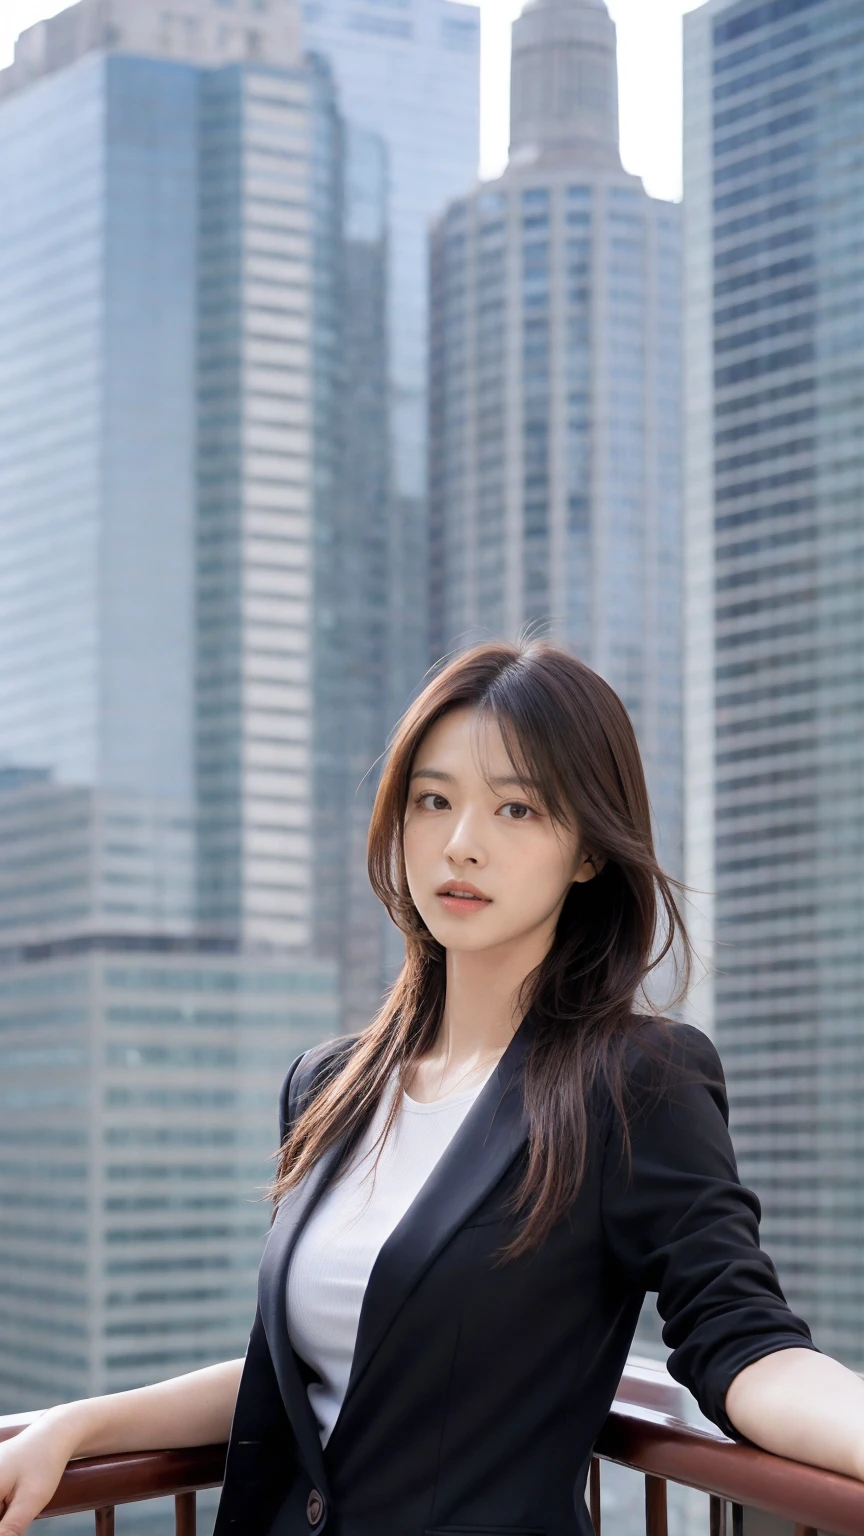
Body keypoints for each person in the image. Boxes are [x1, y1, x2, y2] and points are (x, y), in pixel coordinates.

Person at [2, 639, 864, 1536]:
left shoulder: (633, 1082)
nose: (462, 844)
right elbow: (302, 1376)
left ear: (588, 853)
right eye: (434, 800)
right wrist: (76, 1427)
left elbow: (745, 1339)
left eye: (518, 808)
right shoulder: (329, 1086)